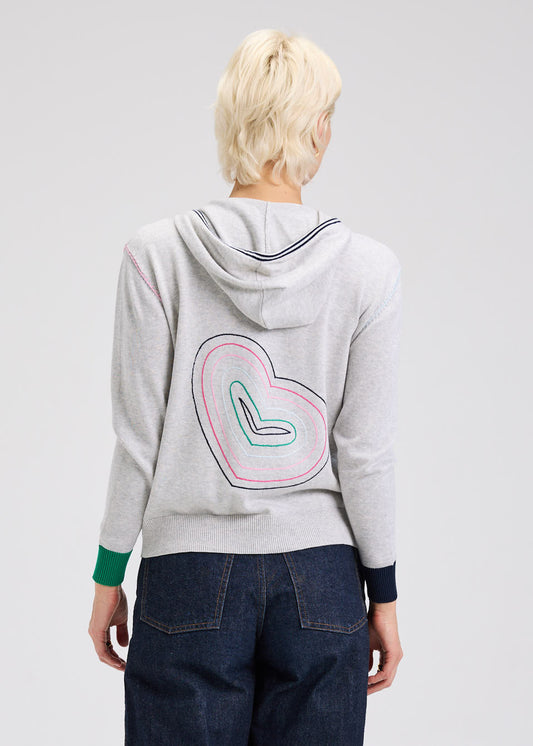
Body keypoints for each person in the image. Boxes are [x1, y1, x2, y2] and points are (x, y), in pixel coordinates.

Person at [88, 27, 404, 745]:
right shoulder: (369, 270)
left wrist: (109, 575)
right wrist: (382, 593)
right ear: (317, 129)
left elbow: (137, 440)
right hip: (322, 581)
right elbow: (365, 453)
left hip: (186, 575)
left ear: (228, 121)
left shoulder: (156, 256)